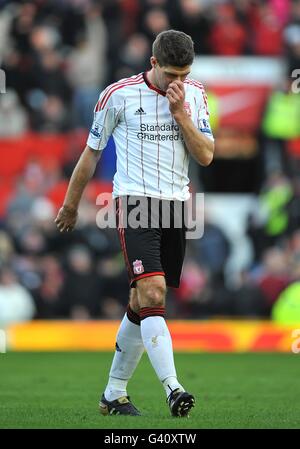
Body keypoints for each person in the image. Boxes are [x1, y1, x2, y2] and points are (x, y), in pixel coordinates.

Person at [55, 30, 214, 417]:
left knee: (140, 301)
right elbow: (90, 154)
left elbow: (206, 155)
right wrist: (70, 205)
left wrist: (180, 114)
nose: (178, 83)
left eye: (184, 74)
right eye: (171, 75)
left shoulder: (194, 95)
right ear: (154, 64)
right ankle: (174, 389)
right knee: (154, 292)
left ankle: (113, 392)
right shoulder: (118, 95)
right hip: (135, 203)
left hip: (177, 205)